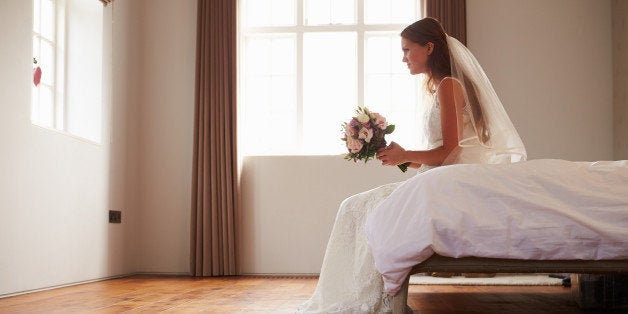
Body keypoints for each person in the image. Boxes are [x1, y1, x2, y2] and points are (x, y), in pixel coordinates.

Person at [298, 17, 526, 313]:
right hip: (438, 180)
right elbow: (438, 156)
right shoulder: (436, 89)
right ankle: (358, 294)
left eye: (407, 50)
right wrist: (399, 157)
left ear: (429, 47)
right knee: (354, 207)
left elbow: (450, 152)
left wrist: (406, 155)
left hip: (448, 186)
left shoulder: (449, 86)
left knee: (355, 207)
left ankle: (365, 298)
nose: (403, 58)